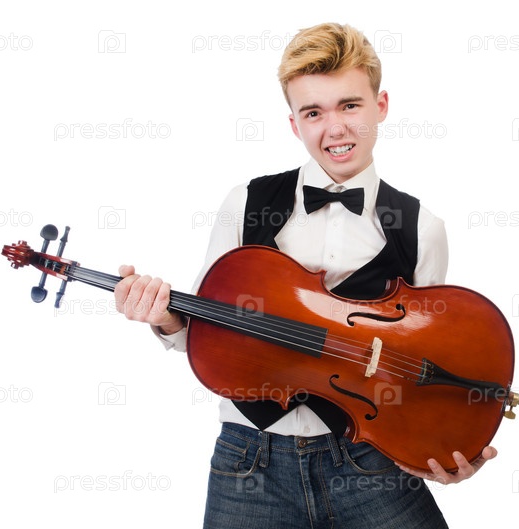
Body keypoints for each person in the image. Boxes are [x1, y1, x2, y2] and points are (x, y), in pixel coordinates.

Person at [114, 22, 496, 528]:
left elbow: (411, 369)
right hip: (250, 461)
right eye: (313, 112)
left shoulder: (423, 228)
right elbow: (205, 338)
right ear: (295, 123)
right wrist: (163, 318)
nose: (334, 128)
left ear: (381, 106)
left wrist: (443, 449)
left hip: (369, 463)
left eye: (349, 105)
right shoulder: (246, 203)